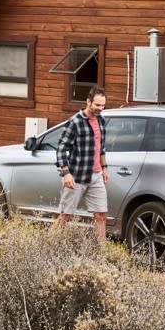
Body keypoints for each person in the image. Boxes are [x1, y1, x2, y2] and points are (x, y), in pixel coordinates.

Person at [53, 86, 110, 243]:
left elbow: (101, 147)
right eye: (97, 105)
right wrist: (66, 173)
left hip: (96, 176)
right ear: (88, 102)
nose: (100, 108)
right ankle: (46, 244)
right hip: (77, 176)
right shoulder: (75, 122)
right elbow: (61, 149)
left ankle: (102, 253)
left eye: (103, 105)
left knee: (101, 215)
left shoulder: (101, 121)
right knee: (66, 215)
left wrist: (105, 168)